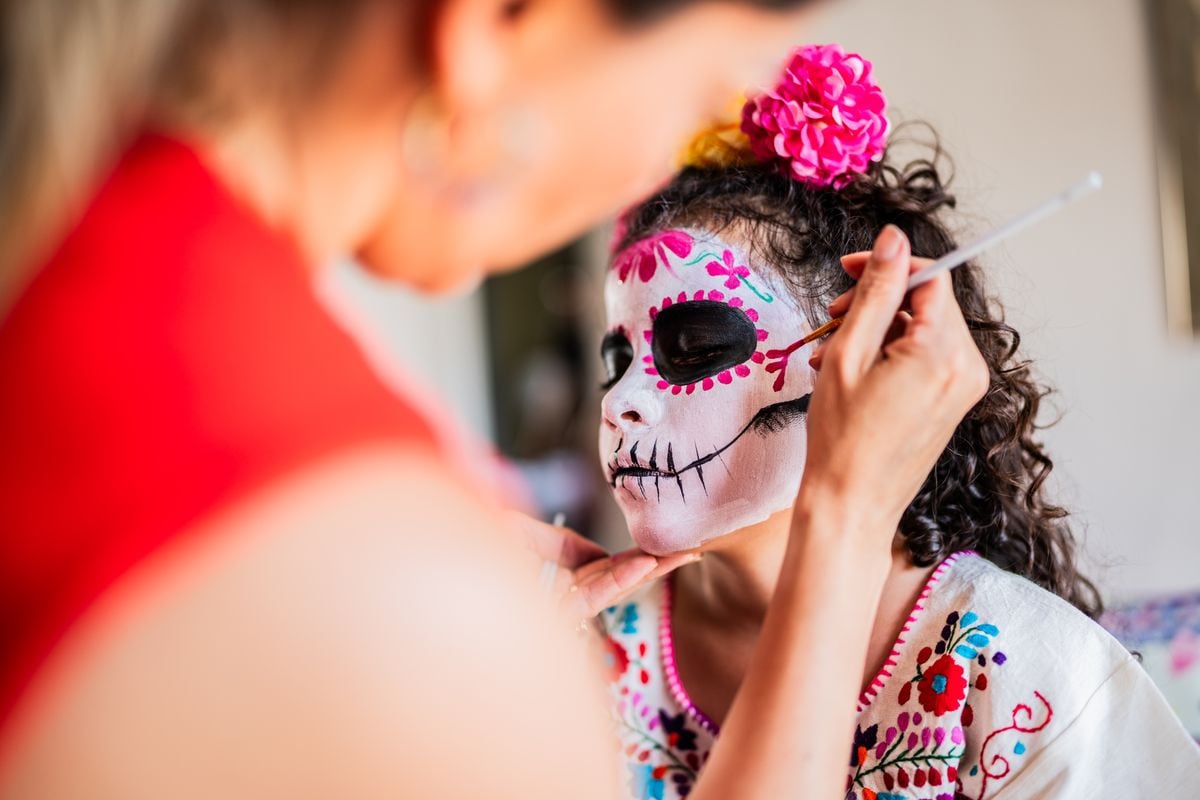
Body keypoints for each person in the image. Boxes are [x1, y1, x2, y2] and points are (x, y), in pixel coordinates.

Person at [0, 4, 986, 798]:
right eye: (692, 96)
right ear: (494, 24)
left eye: (690, 345)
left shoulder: (56, 283)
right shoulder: (401, 593)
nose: (654, 174)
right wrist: (847, 518)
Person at [597, 43, 1200, 799]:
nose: (619, 400)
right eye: (615, 357)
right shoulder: (578, 653)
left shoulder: (1028, 677)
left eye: (696, 345)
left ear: (864, 353)